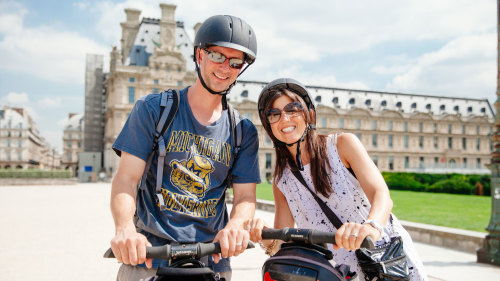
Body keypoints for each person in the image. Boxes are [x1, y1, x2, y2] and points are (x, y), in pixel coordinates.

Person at [110, 15, 260, 281]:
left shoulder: (243, 130)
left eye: (236, 62)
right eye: (217, 56)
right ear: (199, 54)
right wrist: (124, 229)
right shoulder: (153, 109)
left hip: (213, 260)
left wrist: (237, 224)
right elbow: (126, 179)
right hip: (150, 257)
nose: (225, 68)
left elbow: (245, 196)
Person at [246, 78, 428, 280]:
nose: (284, 119)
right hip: (340, 272)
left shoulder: (342, 145)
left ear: (309, 115)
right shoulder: (283, 179)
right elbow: (280, 246)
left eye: (293, 109)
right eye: (274, 114)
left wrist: (371, 227)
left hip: (385, 261)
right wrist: (264, 235)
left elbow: (381, 194)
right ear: (268, 125)